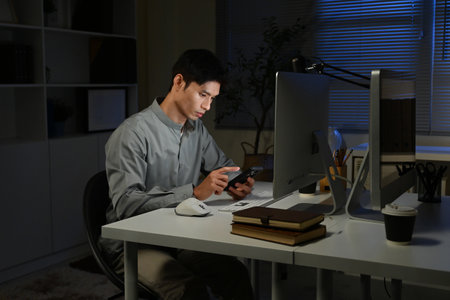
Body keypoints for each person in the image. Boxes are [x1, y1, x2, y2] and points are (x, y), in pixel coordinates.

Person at [100, 49, 255, 300]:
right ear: (179, 82)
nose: (207, 105)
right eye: (203, 95)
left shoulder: (196, 129)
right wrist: (194, 192)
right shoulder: (132, 133)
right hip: (134, 245)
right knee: (188, 289)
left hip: (178, 236)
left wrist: (236, 183)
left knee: (233, 273)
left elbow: (224, 166)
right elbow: (126, 203)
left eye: (213, 98)